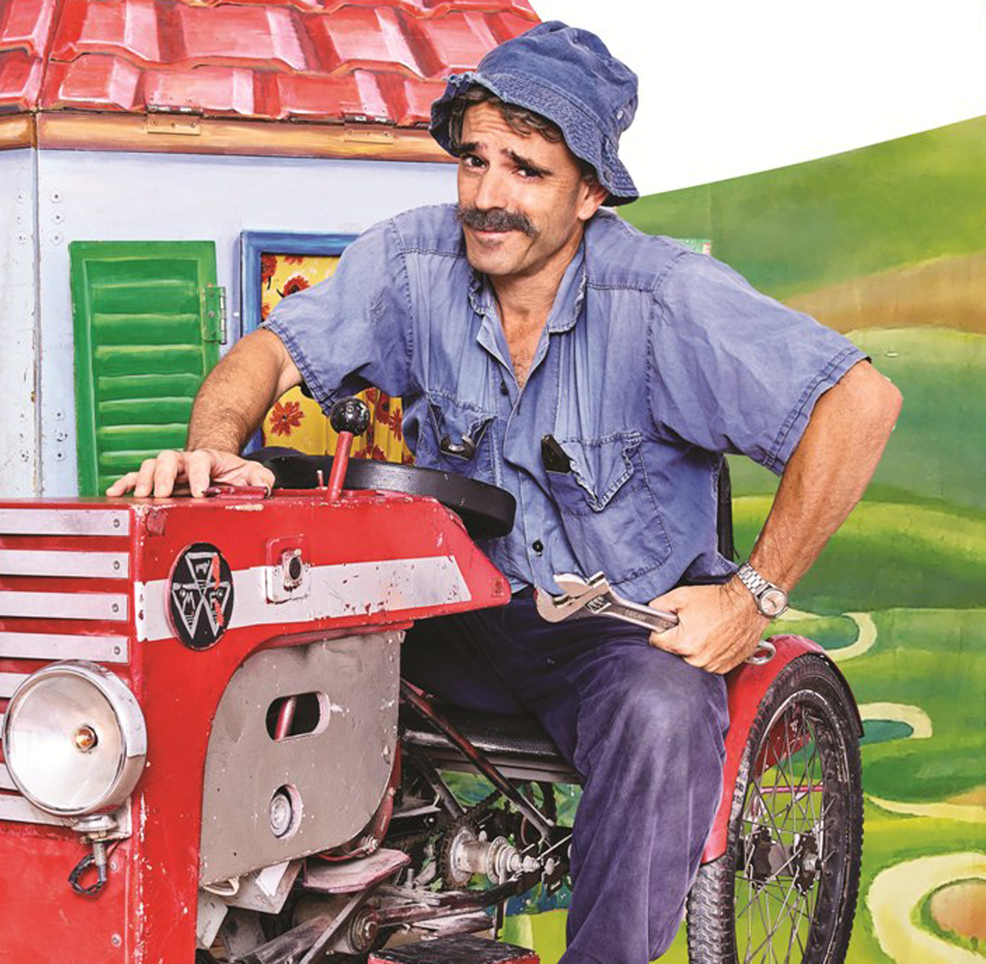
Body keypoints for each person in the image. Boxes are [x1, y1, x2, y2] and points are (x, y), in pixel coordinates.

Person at [108, 21, 901, 964]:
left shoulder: (663, 299)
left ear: (591, 192)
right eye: (474, 160)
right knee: (268, 643)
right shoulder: (413, 263)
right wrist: (212, 452)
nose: (488, 196)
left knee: (662, 713)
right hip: (455, 606)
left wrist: (750, 596)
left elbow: (861, 403)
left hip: (615, 632)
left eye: (526, 169)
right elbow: (268, 353)